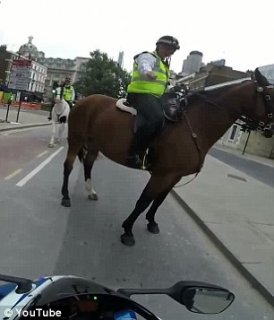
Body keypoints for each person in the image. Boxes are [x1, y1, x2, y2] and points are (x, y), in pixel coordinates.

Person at [126, 35, 180, 168]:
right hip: (139, 94)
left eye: (172, 50)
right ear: (159, 46)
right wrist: (148, 72)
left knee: (171, 117)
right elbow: (144, 66)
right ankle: (133, 154)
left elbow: (162, 85)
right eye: (167, 48)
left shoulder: (164, 65)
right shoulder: (148, 56)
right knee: (156, 118)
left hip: (154, 98)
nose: (169, 51)